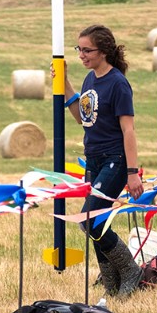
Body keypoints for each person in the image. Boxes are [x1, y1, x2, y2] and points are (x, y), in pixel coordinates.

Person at [64, 24, 143, 298]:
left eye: (87, 50)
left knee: (89, 219)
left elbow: (128, 130)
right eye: (79, 49)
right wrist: (65, 85)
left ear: (104, 51)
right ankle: (111, 283)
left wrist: (132, 173)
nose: (81, 55)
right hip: (94, 159)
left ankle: (131, 270)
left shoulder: (118, 83)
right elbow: (82, 118)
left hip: (116, 159)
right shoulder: (89, 79)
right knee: (98, 220)